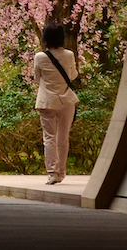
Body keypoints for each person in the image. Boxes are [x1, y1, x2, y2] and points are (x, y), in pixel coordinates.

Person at [33, 22, 79, 185]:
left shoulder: (40, 57)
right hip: (66, 100)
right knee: (63, 137)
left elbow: (37, 78)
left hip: (47, 101)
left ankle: (52, 172)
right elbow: (73, 75)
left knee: (49, 138)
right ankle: (61, 172)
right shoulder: (69, 55)